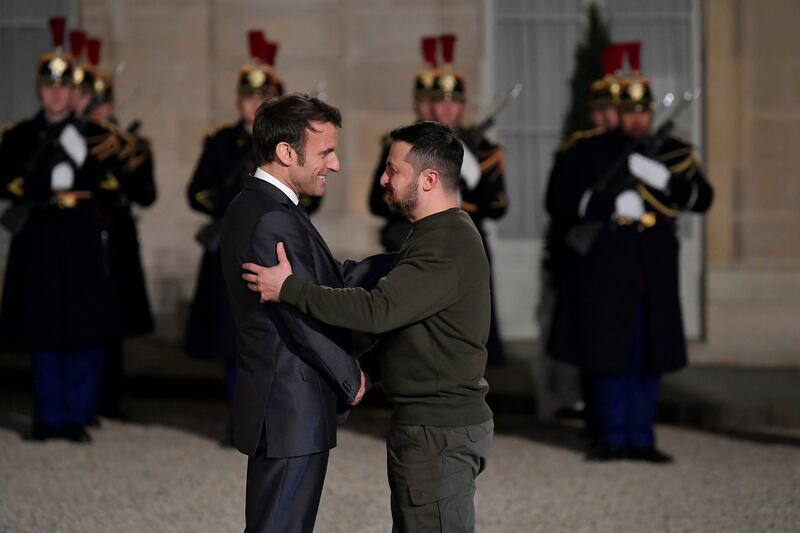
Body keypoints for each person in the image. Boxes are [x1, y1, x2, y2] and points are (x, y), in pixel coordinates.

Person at [243, 121, 494, 533]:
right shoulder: (435, 233)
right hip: (430, 427)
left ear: (429, 179)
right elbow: (416, 326)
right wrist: (368, 370)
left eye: (394, 170)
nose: (383, 178)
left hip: (438, 432)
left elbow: (378, 310)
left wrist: (288, 288)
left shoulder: (446, 242)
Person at [220, 93, 393, 532]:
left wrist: (409, 258)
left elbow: (330, 280)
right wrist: (350, 376)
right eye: (326, 152)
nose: (334, 164)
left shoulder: (270, 207)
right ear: (285, 152)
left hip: (287, 407)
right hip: (287, 408)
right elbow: (297, 317)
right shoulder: (270, 217)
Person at [545, 46, 713, 463]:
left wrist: (664, 180)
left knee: (647, 356)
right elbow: (559, 198)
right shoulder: (589, 151)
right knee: (609, 353)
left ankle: (642, 437)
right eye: (630, 111)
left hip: (653, 267)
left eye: (644, 111)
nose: (639, 119)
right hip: (606, 268)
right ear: (616, 111)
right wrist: (609, 206)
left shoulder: (671, 151)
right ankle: (612, 436)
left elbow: (702, 197)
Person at [185, 31, 317, 444]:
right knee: (231, 336)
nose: (254, 104)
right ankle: (238, 417)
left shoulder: (287, 142)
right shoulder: (222, 141)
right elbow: (197, 192)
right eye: (248, 96)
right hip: (230, 242)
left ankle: (266, 415)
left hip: (274, 246)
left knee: (271, 333)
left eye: (263, 97)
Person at [0, 18, 127, 443]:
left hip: (81, 240)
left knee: (82, 328)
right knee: (43, 330)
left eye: (64, 86)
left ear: (74, 91)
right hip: (38, 237)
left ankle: (74, 415)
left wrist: (82, 157)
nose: (57, 93)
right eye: (49, 85)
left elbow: (113, 189)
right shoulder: (19, 136)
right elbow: (8, 181)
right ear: (40, 88)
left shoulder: (95, 137)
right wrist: (44, 178)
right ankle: (47, 415)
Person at [537, 43, 626, 430]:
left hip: (623, 258)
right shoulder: (577, 151)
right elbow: (558, 201)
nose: (609, 117)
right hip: (583, 261)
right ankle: (587, 413)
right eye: (604, 109)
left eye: (615, 110)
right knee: (586, 343)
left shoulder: (631, 149)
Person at [86, 42, 158, 419]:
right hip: (84, 236)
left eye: (102, 102)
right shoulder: (78, 140)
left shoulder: (130, 145)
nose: (97, 109)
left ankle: (110, 395)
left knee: (115, 318)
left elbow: (146, 195)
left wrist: (126, 175)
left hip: (117, 238)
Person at [430, 33, 508, 367]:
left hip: (472, 241)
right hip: (430, 244)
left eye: (455, 101)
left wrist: (474, 179)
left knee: (475, 326)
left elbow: (499, 206)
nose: (448, 108)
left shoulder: (485, 150)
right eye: (441, 101)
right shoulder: (418, 148)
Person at [368, 36, 438, 252]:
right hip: (406, 236)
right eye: (424, 101)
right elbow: (376, 201)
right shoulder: (399, 144)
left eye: (435, 101)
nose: (432, 108)